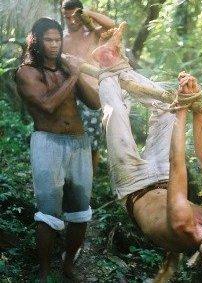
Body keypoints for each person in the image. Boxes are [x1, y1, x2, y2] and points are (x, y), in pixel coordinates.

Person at [90, 23, 202, 280]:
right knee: (165, 103)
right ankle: (117, 63)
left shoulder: (186, 228)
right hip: (161, 177)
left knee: (115, 116)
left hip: (133, 186)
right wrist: (195, 104)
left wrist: (182, 111)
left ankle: (106, 67)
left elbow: (177, 163)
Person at [15, 18, 100, 281]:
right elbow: (48, 105)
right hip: (48, 143)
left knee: (80, 210)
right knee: (48, 211)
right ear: (37, 42)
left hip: (78, 143)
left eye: (57, 39)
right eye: (48, 40)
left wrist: (76, 72)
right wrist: (74, 75)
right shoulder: (26, 72)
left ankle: (68, 268)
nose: (54, 45)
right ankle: (43, 272)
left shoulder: (66, 69)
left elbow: (95, 103)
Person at [62, 0, 116, 172]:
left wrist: (88, 13)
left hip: (93, 96)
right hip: (70, 94)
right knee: (69, 139)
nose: (71, 21)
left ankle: (89, 184)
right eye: (67, 17)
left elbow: (112, 26)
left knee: (92, 143)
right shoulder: (61, 39)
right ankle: (70, 176)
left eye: (75, 16)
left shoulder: (93, 34)